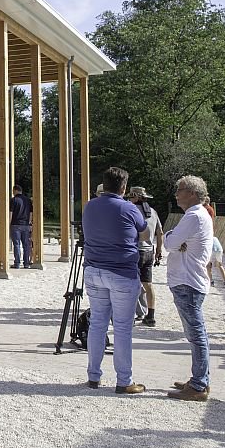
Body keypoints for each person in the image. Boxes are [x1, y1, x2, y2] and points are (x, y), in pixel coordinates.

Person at [81, 167, 148, 395]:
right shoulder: (129, 208)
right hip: (121, 273)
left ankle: (93, 376)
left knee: (97, 324)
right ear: (124, 187)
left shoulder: (89, 206)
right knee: (122, 328)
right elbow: (144, 230)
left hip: (93, 270)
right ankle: (124, 380)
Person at [165, 175, 214, 402]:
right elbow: (174, 243)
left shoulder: (193, 215)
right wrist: (174, 240)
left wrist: (170, 238)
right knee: (196, 334)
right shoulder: (198, 215)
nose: (176, 193)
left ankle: (198, 385)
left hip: (187, 281)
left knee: (196, 335)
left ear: (192, 194)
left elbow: (170, 244)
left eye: (180, 189)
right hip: (190, 280)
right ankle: (200, 379)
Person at [127, 186, 163, 326]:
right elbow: (160, 233)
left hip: (135, 251)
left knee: (131, 284)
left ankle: (133, 313)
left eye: (131, 197)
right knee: (148, 285)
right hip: (149, 252)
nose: (129, 200)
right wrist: (159, 251)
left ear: (136, 197)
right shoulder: (153, 212)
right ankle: (151, 316)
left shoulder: (132, 211)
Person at [10, 185, 33, 269]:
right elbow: (31, 213)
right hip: (26, 224)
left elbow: (10, 213)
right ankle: (26, 263)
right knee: (26, 245)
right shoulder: (28, 200)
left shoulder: (13, 200)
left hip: (15, 224)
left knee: (16, 244)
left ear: (15, 190)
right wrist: (29, 222)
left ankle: (17, 263)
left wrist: (9, 223)